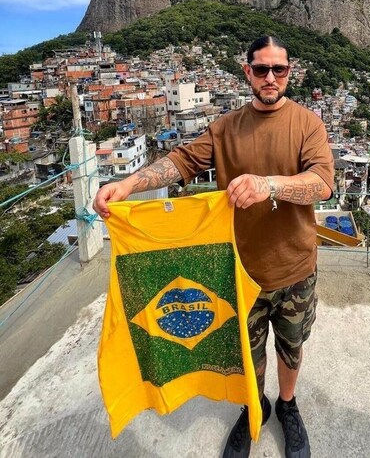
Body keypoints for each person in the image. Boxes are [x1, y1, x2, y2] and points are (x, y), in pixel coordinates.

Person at [93, 35, 334, 458]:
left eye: (279, 69)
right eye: (262, 69)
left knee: (292, 346)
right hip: (240, 272)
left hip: (295, 268)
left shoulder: (307, 123)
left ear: (289, 73)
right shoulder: (225, 128)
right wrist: (128, 184)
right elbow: (182, 160)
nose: (271, 77)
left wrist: (269, 184)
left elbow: (323, 183)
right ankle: (253, 405)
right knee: (246, 350)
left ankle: (288, 406)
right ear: (248, 73)